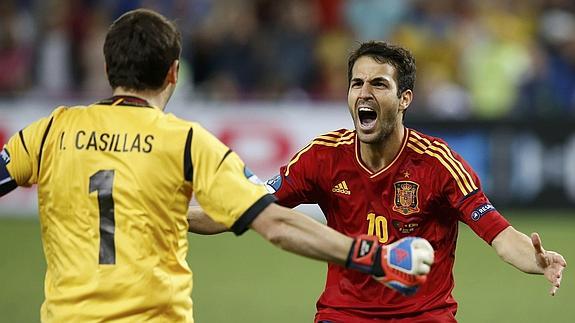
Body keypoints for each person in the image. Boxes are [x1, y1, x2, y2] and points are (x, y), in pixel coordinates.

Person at [0, 11, 435, 322]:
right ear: (174, 73)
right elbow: (277, 224)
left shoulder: (51, 131)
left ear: (108, 65)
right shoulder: (188, 143)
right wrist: (376, 257)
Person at [187, 41, 567, 322]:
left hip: (424, 317)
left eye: (379, 85)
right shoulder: (322, 156)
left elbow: (499, 235)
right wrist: (171, 213)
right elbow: (243, 209)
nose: (364, 93)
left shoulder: (438, 164)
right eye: (357, 83)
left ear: (404, 99)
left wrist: (536, 260)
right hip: (343, 315)